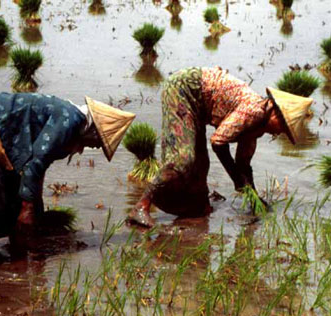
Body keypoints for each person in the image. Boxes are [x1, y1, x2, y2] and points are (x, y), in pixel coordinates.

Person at [0, 93, 135, 268]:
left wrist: (34, 205)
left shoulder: (72, 122)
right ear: (94, 129)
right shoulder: (70, 121)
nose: (95, 146)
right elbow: (36, 162)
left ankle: (19, 260)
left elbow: (40, 164)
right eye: (99, 142)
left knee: (15, 201)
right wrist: (28, 207)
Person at [127, 66, 313, 227]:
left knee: (200, 166)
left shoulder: (257, 129)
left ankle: (197, 209)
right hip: (184, 89)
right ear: (275, 113)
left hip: (198, 107)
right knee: (183, 159)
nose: (280, 133)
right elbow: (218, 142)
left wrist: (254, 198)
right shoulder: (254, 110)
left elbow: (243, 164)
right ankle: (141, 207)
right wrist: (234, 178)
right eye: (283, 128)